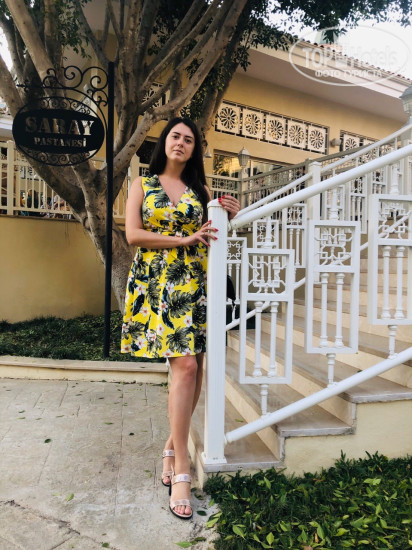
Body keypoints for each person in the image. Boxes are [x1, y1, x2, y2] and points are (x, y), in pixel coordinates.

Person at [121, 117, 240, 520]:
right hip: (158, 283)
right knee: (185, 367)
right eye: (175, 136)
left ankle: (171, 447)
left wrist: (230, 214)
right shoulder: (142, 184)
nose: (181, 143)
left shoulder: (200, 190)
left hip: (194, 283)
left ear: (193, 150)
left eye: (189, 140)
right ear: (165, 142)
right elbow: (133, 235)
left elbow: (212, 233)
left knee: (195, 368)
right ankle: (183, 469)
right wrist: (182, 239)